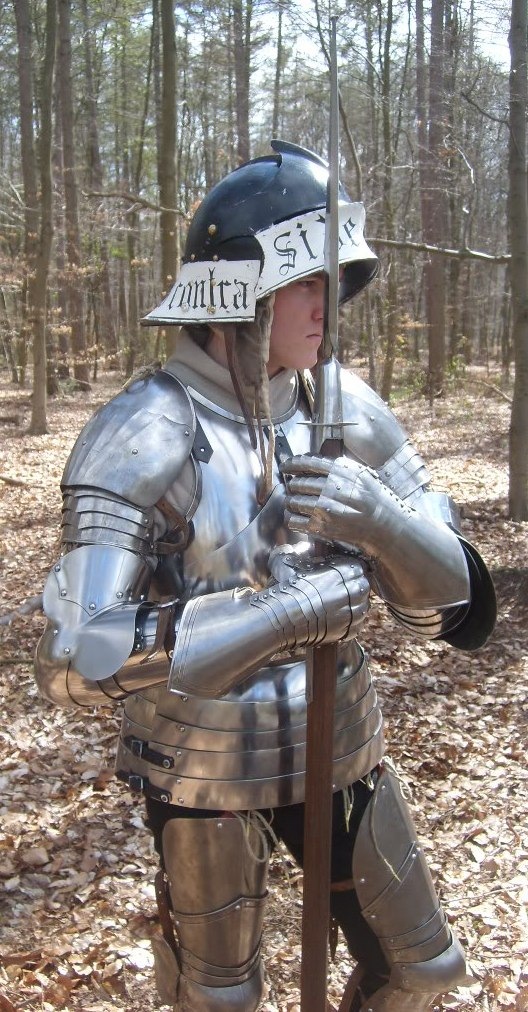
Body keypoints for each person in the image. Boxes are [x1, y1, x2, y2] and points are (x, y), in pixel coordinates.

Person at [35, 141, 496, 1012]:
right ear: (238, 290)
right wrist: (287, 612)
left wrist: (384, 522)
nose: (329, 302)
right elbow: (71, 656)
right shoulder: (147, 429)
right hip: (204, 758)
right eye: (305, 281)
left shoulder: (342, 404)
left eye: (334, 279)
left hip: (342, 743)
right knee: (224, 1001)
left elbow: (457, 611)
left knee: (423, 971)